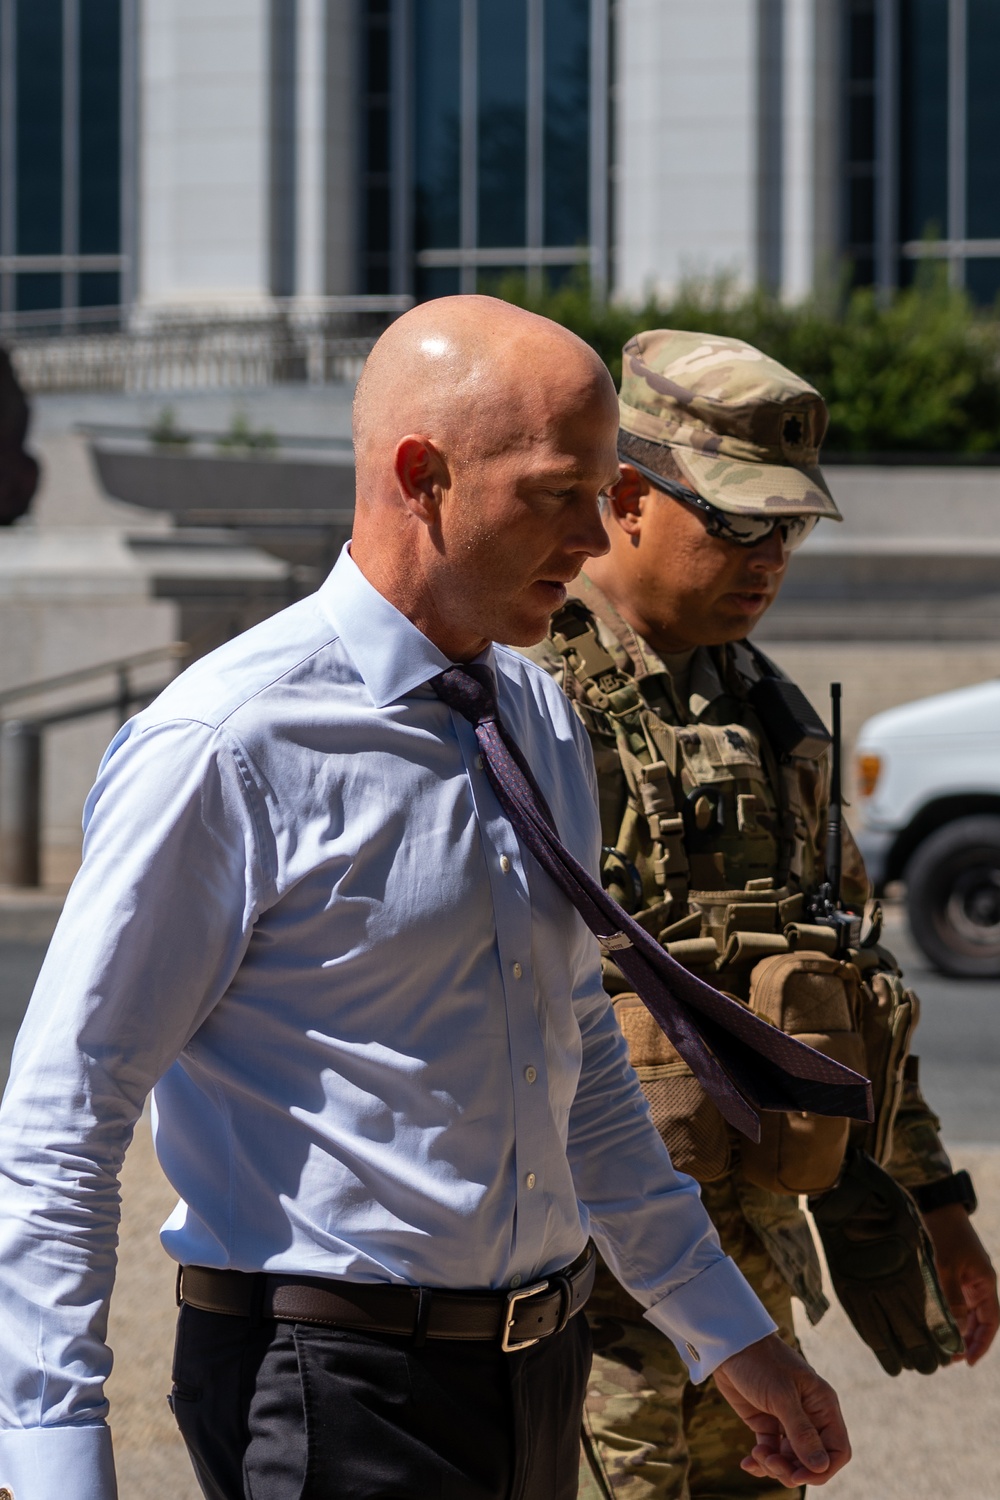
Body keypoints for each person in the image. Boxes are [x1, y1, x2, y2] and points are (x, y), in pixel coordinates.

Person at [0, 299, 852, 1500]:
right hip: (328, 1386)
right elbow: (65, 1115)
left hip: (535, 1372)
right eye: (556, 494)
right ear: (423, 477)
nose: (592, 537)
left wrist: (723, 1329)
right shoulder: (228, 743)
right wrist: (51, 1455)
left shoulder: (535, 713)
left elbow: (577, 1058)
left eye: (600, 494)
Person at [525, 328, 1000, 1500]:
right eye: (737, 522)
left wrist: (934, 1203)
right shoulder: (526, 693)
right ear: (626, 498)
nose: (769, 556)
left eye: (786, 527)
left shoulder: (767, 710)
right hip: (587, 1287)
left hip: (748, 1268)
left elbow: (855, 984)